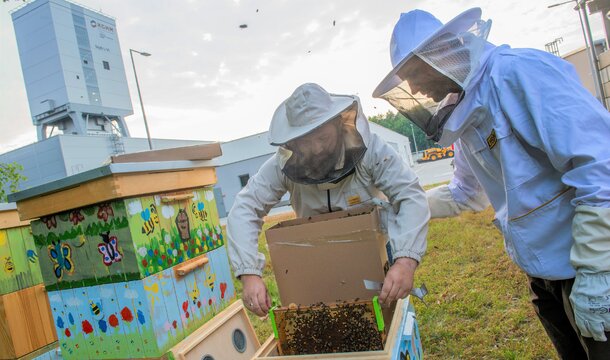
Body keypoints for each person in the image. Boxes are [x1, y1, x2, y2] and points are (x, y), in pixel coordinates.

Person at [373, 7, 610, 359]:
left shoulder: (518, 74)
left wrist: (596, 271)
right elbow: (465, 194)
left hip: (590, 267)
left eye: (415, 74)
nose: (416, 87)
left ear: (442, 52)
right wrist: (400, 208)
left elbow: (599, 165)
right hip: (543, 276)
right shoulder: (466, 114)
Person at [227, 83, 430, 317]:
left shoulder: (373, 149)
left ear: (338, 124)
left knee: (388, 318)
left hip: (376, 251)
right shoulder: (278, 167)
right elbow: (245, 208)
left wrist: (405, 262)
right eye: (305, 141)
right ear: (291, 142)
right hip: (317, 255)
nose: (315, 149)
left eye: (322, 137)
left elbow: (410, 195)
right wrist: (249, 274)